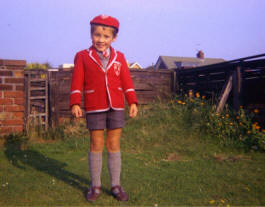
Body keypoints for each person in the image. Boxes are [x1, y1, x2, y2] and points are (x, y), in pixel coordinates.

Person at [70, 14, 138, 202]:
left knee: (114, 144)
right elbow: (77, 81)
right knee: (96, 144)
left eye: (106, 36)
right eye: (97, 35)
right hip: (94, 105)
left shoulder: (120, 57)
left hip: (116, 105)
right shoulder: (83, 56)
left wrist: (132, 101)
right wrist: (75, 102)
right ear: (91, 35)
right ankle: (95, 186)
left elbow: (127, 81)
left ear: (113, 38)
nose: (101, 40)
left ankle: (116, 185)